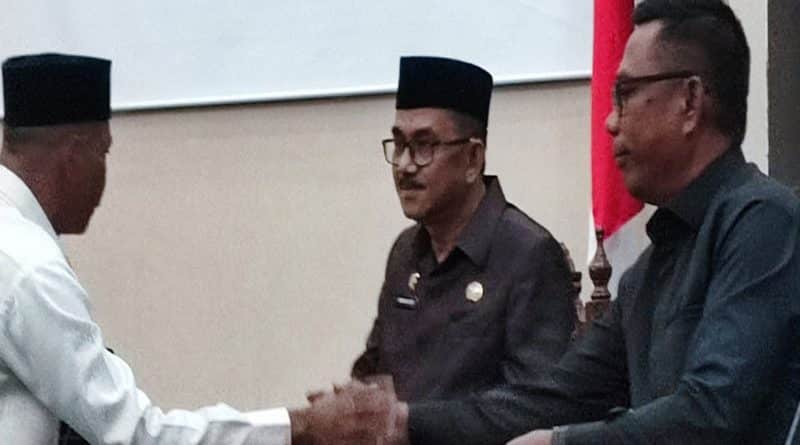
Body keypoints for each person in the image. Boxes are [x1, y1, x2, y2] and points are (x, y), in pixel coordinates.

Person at [375, 1, 800, 444]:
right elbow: (555, 399)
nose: (610, 121)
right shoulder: (651, 268)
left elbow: (712, 412)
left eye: (625, 93)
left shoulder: (763, 223)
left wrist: (561, 443)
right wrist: (402, 422)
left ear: (689, 102)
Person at [0, 53, 390, 445]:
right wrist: (303, 425)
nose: (105, 173)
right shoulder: (32, 272)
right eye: (103, 153)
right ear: (73, 156)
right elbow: (135, 434)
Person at [351, 56, 576, 402]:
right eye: (399, 145)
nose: (405, 166)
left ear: (473, 159)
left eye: (424, 146)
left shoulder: (529, 256)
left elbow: (534, 405)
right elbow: (373, 372)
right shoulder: (405, 251)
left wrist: (411, 422)